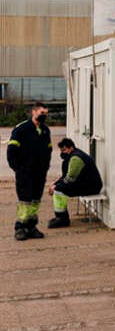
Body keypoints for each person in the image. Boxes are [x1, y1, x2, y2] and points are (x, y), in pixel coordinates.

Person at [5, 102, 52, 241]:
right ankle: (20, 227)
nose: (44, 116)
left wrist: (46, 166)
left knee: (36, 199)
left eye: (46, 114)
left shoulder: (45, 130)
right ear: (34, 112)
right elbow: (12, 149)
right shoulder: (22, 129)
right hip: (24, 171)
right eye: (41, 113)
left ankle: (31, 226)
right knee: (25, 200)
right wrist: (17, 168)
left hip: (40, 172)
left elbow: (48, 150)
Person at [47, 138, 103, 229]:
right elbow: (66, 176)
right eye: (61, 150)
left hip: (91, 187)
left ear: (71, 148)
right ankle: (60, 217)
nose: (62, 152)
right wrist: (56, 183)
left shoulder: (76, 159)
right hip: (88, 184)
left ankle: (62, 219)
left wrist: (56, 186)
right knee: (58, 188)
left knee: (58, 191)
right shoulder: (74, 155)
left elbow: (70, 178)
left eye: (64, 150)